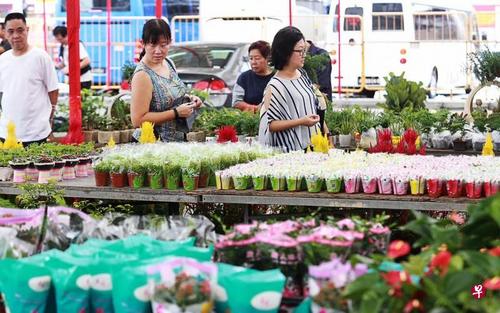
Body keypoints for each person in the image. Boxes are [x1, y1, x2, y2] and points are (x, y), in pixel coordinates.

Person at [258, 26, 330, 152]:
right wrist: (300, 121)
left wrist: (324, 128)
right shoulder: (275, 86)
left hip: (313, 147)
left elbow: (313, 105)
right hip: (291, 153)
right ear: (285, 52)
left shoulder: (302, 75)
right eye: (300, 51)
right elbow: (271, 125)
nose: (304, 55)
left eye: (305, 51)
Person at [130, 18, 202, 142]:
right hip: (153, 145)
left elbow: (170, 93)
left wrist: (190, 99)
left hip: (175, 143)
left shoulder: (168, 62)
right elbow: (137, 120)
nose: (158, 51)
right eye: (153, 45)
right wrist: (176, 113)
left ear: (170, 42)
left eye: (163, 45)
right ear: (143, 44)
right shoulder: (142, 75)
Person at [0, 12, 59, 147]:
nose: (16, 36)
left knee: (36, 168)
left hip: (36, 133)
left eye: (20, 30)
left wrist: (50, 119)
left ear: (27, 30)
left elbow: (53, 89)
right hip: (7, 134)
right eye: (11, 31)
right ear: (5, 33)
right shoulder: (2, 60)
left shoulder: (41, 57)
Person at [232, 40, 274, 113]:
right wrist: (256, 108)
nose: (253, 62)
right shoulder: (244, 78)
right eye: (251, 58)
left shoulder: (276, 78)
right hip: (248, 120)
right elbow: (236, 102)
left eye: (257, 58)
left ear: (267, 58)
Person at [52, 25, 92, 90]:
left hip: (83, 79)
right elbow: (64, 62)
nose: (59, 41)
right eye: (57, 39)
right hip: (73, 79)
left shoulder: (77, 44)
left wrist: (72, 69)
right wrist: (56, 67)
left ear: (66, 36)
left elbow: (86, 61)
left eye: (60, 39)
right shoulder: (63, 46)